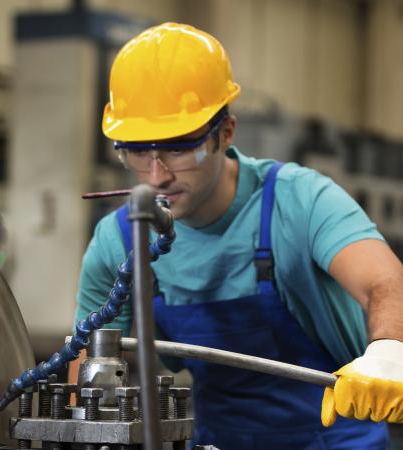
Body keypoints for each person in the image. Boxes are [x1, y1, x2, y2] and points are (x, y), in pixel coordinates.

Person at [71, 22, 403, 449]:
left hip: (337, 438)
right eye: (136, 151)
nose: (156, 176)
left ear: (225, 132)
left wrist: (390, 351)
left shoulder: (299, 200)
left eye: (178, 148)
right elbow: (89, 365)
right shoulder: (119, 241)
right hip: (218, 439)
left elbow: (386, 282)